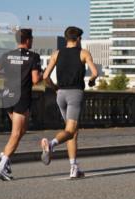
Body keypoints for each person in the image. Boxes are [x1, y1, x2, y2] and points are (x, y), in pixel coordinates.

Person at [38, 27, 98, 178]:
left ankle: (74, 167)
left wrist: (55, 87)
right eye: (81, 39)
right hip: (75, 94)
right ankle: (51, 145)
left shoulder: (56, 54)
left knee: (72, 132)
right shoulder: (83, 53)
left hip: (61, 95)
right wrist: (91, 81)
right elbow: (95, 73)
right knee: (70, 131)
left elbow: (45, 76)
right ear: (77, 38)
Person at [0, 28, 42, 181]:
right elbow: (35, 80)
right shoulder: (33, 57)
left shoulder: (6, 55)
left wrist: (6, 74)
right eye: (31, 39)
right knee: (17, 133)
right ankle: (2, 166)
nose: (32, 41)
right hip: (21, 97)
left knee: (21, 130)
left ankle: (3, 155)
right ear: (27, 40)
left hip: (7, 96)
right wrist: (42, 74)